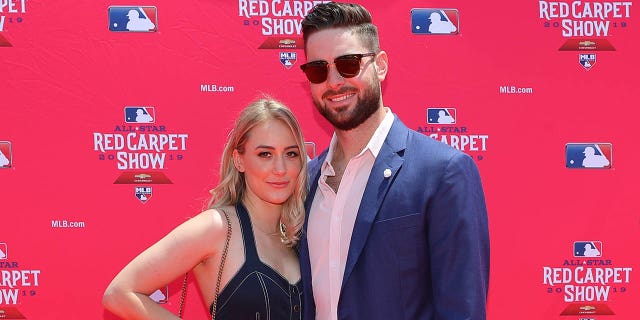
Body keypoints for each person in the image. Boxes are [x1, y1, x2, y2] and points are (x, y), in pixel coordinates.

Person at [297, 2, 489, 319]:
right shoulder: (307, 182)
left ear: (381, 65)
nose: (333, 82)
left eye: (348, 64)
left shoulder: (443, 173)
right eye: (318, 69)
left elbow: (462, 309)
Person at [103, 98, 307, 319]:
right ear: (239, 161)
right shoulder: (217, 228)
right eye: (265, 154)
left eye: (291, 154)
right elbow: (120, 293)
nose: (280, 168)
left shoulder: (296, 236)